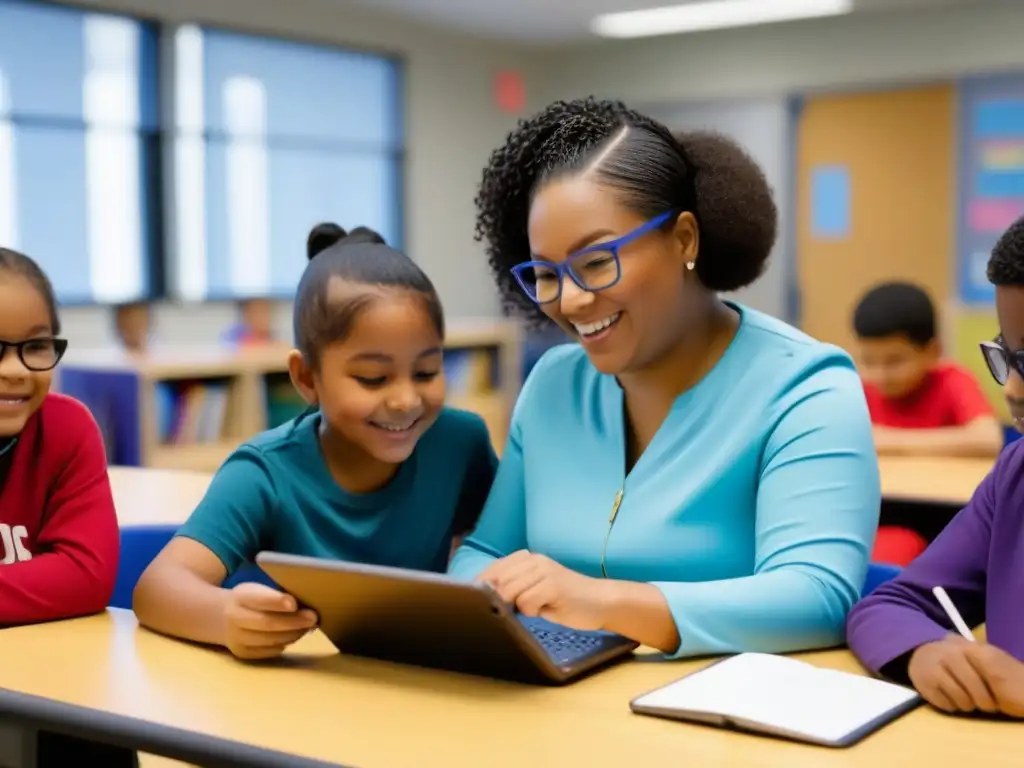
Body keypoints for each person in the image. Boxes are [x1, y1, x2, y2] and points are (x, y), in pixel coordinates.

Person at [448, 98, 881, 658]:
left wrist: (598, 602)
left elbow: (817, 597)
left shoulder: (806, 388)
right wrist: (489, 591)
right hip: (560, 705)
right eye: (546, 274)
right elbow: (483, 549)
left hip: (721, 723)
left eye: (597, 261)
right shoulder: (554, 383)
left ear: (684, 240)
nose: (570, 300)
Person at [133, 224, 497, 661]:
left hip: (432, 679)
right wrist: (224, 615)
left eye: (426, 372)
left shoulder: (460, 443)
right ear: (307, 377)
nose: (406, 400)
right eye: (373, 378)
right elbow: (157, 587)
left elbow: (506, 542)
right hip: (309, 695)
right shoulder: (265, 472)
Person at [847, 216, 1024, 719]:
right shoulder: (1014, 478)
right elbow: (887, 606)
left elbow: (978, 436)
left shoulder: (952, 386)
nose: (1010, 390)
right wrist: (925, 651)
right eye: (1008, 359)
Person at [0, 248, 129, 764]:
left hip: (54, 680)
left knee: (96, 734)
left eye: (35, 346)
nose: (15, 370)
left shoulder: (68, 429)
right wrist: (37, 584)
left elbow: (86, 575)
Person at [853, 281, 1002, 459]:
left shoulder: (952, 380)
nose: (879, 375)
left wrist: (887, 441)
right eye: (868, 361)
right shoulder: (859, 389)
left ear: (933, 352)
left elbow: (989, 440)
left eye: (894, 361)